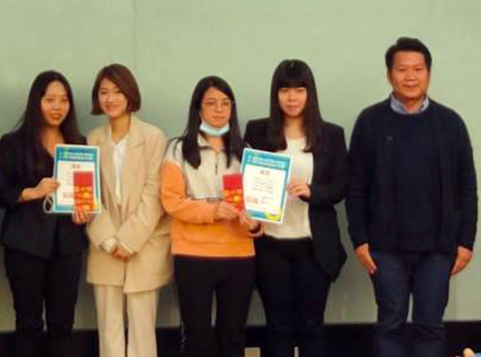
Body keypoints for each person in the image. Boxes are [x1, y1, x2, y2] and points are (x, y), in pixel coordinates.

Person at [346, 37, 478, 357]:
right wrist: (360, 239)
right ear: (389, 75)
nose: (410, 76)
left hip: (438, 247)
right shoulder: (370, 121)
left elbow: (467, 187)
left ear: (428, 73)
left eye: (418, 69)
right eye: (402, 69)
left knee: (430, 326)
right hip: (385, 247)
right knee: (389, 325)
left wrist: (465, 242)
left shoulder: (450, 123)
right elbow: (356, 185)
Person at [243, 59, 348, 357]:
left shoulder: (331, 134)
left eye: (299, 90)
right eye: (285, 90)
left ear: (310, 94)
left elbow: (341, 186)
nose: (292, 98)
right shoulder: (257, 130)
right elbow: (244, 181)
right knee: (278, 327)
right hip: (270, 245)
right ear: (275, 94)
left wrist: (313, 192)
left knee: (312, 326)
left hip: (313, 246)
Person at [160, 76, 262, 357]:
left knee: (233, 337)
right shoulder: (177, 150)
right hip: (193, 255)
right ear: (198, 108)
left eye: (225, 103)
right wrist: (213, 211)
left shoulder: (247, 152)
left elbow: (260, 210)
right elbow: (171, 201)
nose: (219, 109)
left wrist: (255, 224)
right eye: (211, 103)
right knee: (197, 340)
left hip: (239, 255)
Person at [0, 71, 91, 357]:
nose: (57, 107)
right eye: (50, 99)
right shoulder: (13, 143)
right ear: (36, 102)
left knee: (62, 325)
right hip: (25, 244)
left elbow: (86, 194)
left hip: (68, 246)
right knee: (29, 324)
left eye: (64, 100)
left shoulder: (79, 143)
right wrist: (31, 192)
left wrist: (86, 212)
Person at [85, 64, 170, 357]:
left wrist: (129, 240)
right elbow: (88, 194)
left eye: (118, 91)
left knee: (142, 330)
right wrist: (111, 241)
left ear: (130, 94)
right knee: (108, 329)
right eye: (104, 92)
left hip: (144, 245)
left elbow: (154, 193)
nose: (110, 98)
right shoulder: (92, 139)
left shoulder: (154, 137)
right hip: (104, 246)